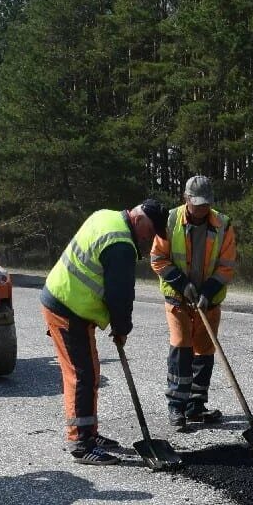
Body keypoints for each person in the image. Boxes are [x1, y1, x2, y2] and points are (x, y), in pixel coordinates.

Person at [41, 200, 169, 464]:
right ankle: (80, 443)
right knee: (81, 375)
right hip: (67, 308)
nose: (149, 238)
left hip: (71, 304)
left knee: (90, 372)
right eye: (151, 230)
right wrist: (122, 329)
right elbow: (120, 296)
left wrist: (118, 326)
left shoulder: (106, 215)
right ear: (139, 219)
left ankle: (89, 432)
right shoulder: (121, 245)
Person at [149, 175, 237, 430]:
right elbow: (157, 258)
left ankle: (196, 406)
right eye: (197, 203)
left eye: (206, 204)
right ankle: (177, 407)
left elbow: (227, 265)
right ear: (186, 199)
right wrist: (181, 283)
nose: (201, 209)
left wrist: (208, 291)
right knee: (181, 347)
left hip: (208, 301)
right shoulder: (170, 220)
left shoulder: (223, 224)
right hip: (178, 298)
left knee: (205, 350)